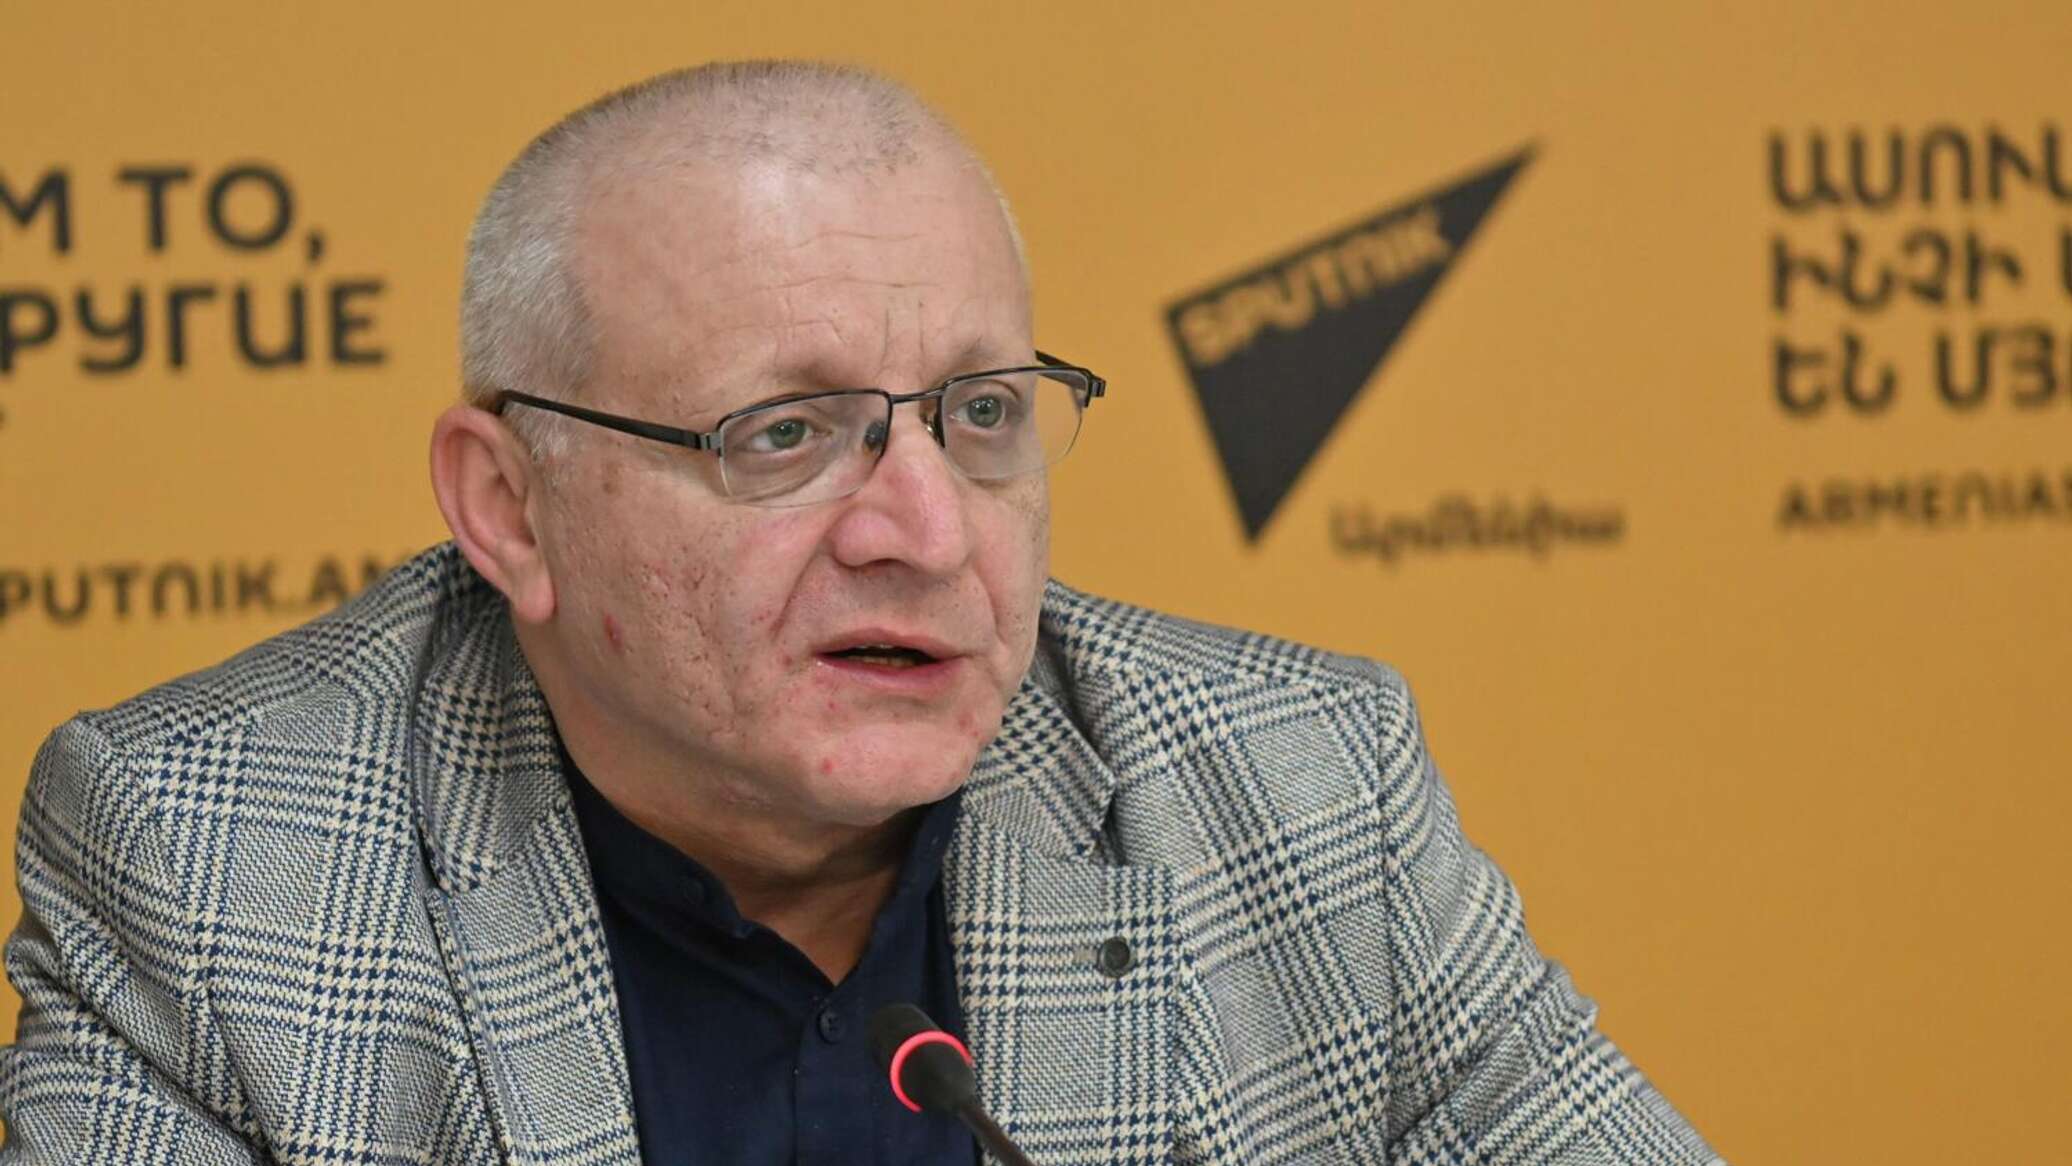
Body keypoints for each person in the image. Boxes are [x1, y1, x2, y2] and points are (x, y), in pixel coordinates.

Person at [0, 62, 1718, 1165]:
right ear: (509, 507)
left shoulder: (1302, 790)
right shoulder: (216, 863)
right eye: (785, 434)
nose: (926, 531)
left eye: (983, 414)